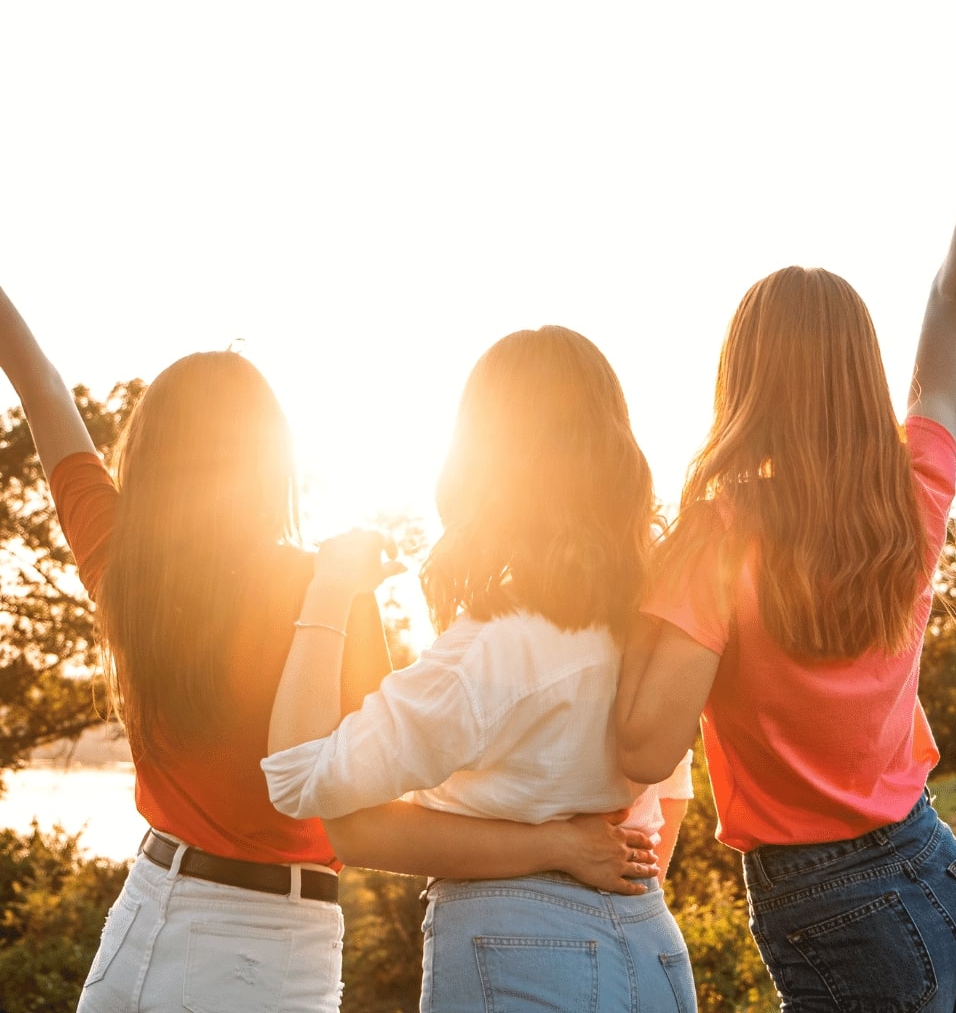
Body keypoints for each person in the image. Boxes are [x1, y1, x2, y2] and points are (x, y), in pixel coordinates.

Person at [0, 301, 661, 1013]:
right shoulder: (329, 593)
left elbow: (41, 389)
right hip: (265, 948)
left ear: (149, 455)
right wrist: (557, 845)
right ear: (269, 465)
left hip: (136, 924)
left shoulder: (123, 569)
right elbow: (372, 819)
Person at [614, 13, 956, 1013]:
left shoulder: (717, 538)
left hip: (834, 909)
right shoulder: (913, 488)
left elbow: (638, 746)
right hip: (949, 883)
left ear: (742, 380)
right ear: (859, 371)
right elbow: (954, 297)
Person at [262, 325, 699, 1013]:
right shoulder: (657, 623)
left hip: (520, 948)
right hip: (652, 947)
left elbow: (295, 778)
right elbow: (670, 788)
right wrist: (594, 872)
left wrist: (329, 591)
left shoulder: (494, 648)